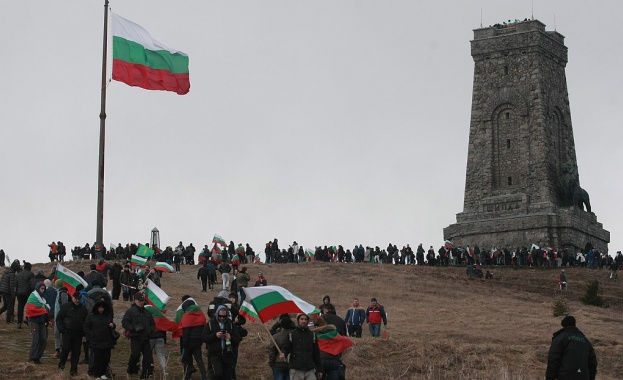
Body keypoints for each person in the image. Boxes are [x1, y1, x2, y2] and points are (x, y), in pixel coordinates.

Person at [546, 315, 597, 380]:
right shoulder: (586, 341)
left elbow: (553, 359)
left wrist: (550, 377)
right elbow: (593, 363)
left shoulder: (560, 338)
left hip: (565, 376)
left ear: (563, 325)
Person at [122, 292, 156, 379]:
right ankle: (130, 370)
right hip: (135, 338)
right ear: (136, 301)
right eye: (140, 301)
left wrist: (150, 330)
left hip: (146, 338)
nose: (141, 302)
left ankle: (144, 375)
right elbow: (124, 322)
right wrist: (132, 328)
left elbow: (152, 323)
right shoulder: (130, 311)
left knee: (147, 358)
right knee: (135, 355)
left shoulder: (147, 313)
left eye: (142, 301)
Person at [203, 304, 241, 380]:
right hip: (215, 354)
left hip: (227, 354)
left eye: (224, 316)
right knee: (218, 374)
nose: (222, 318)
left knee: (227, 376)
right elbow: (203, 338)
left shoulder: (230, 324)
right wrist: (215, 336)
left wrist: (230, 338)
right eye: (220, 316)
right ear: (217, 314)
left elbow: (238, 338)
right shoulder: (210, 324)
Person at [280, 313, 323, 380]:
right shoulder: (291, 334)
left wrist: (319, 369)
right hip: (296, 369)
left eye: (305, 319)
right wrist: (283, 353)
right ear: (298, 320)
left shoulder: (312, 335)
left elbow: (316, 353)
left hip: (310, 370)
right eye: (302, 319)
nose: (304, 321)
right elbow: (286, 348)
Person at [57, 291, 88, 375]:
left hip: (78, 333)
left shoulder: (83, 309)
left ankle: (73, 370)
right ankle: (61, 366)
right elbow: (59, 319)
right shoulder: (66, 307)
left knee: (76, 352)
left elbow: (86, 321)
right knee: (65, 349)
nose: (77, 300)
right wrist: (62, 329)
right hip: (67, 332)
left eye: (79, 299)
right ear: (72, 298)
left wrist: (84, 332)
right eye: (76, 298)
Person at [84, 300, 116, 379]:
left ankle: (103, 373)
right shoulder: (91, 316)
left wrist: (113, 325)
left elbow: (112, 325)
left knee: (106, 358)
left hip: (107, 341)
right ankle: (97, 374)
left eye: (102, 308)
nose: (101, 309)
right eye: (100, 307)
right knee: (97, 358)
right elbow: (86, 327)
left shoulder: (107, 316)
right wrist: (92, 334)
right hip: (96, 341)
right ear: (97, 308)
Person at [269, 315, 295, 380]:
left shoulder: (276, 336)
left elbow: (272, 351)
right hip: (292, 363)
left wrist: (272, 363)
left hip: (278, 363)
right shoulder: (295, 335)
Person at [15, 261, 34, 328]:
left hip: (19, 293)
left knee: (20, 307)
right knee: (30, 307)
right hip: (28, 293)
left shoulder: (18, 274)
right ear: (30, 268)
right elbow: (32, 284)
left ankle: (19, 322)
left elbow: (16, 284)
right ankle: (27, 319)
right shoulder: (31, 274)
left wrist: (16, 292)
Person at [0, 259, 19, 324]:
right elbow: (12, 285)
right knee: (10, 306)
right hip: (8, 292)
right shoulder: (12, 274)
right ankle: (8, 321)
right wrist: (13, 295)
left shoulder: (5, 272)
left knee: (5, 306)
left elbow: (1, 282)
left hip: (3, 291)